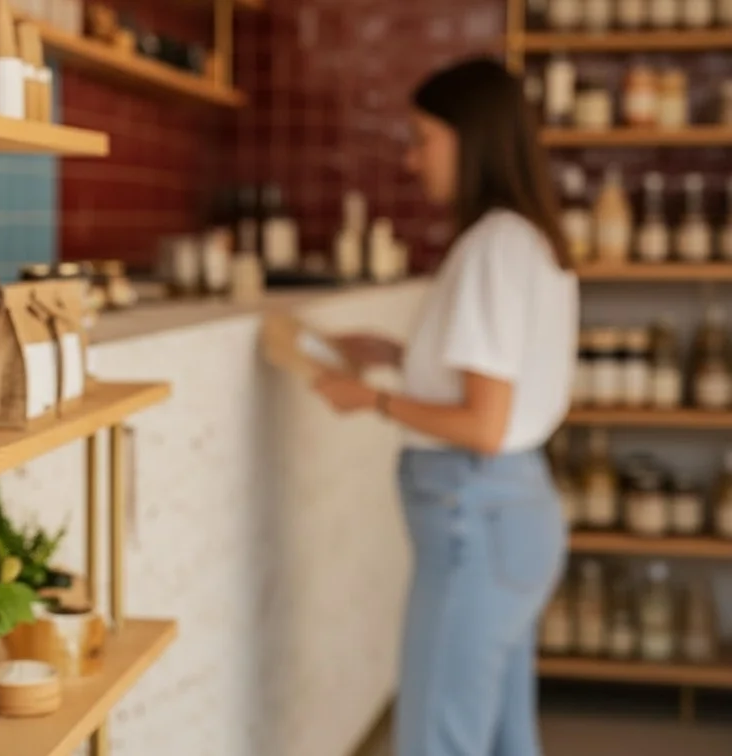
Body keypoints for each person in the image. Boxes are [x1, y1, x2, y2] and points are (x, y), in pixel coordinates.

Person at [313, 57, 579, 756]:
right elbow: (495, 389)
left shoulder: (491, 245)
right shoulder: (530, 239)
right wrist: (398, 356)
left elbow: (481, 427)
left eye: (422, 138)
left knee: (439, 738)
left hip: (476, 524)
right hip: (514, 516)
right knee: (500, 736)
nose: (410, 158)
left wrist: (371, 397)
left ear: (472, 140)